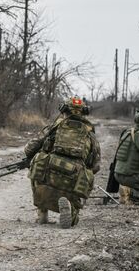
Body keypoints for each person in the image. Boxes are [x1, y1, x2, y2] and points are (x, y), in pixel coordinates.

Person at [24, 97, 101, 228]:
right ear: (84, 112)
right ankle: (71, 209)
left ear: (63, 109)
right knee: (85, 177)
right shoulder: (89, 133)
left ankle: (42, 213)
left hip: (50, 170)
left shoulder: (55, 126)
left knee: (37, 161)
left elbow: (30, 148)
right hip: (75, 177)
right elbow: (95, 164)